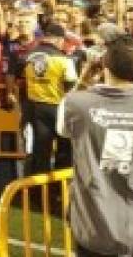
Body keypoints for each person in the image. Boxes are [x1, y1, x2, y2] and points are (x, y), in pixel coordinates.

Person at [56, 35, 133, 257]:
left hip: (96, 233)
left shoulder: (75, 104)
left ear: (104, 65)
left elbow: (63, 129)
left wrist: (84, 80)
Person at [21, 24, 77, 175]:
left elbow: (19, 80)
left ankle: (38, 193)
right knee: (64, 149)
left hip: (34, 109)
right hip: (58, 108)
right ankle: (60, 191)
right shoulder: (64, 59)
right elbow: (71, 84)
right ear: (59, 40)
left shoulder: (27, 56)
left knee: (39, 151)